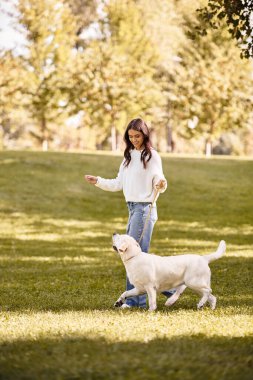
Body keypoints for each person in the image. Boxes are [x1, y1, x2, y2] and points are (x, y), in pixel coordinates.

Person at [85, 118, 174, 308]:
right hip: (132, 209)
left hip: (144, 210)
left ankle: (136, 301)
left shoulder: (152, 156)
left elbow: (160, 179)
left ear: (145, 135)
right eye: (131, 136)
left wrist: (161, 184)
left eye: (137, 136)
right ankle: (172, 290)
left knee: (132, 257)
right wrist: (98, 181)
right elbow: (118, 183)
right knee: (137, 257)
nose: (134, 140)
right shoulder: (128, 157)